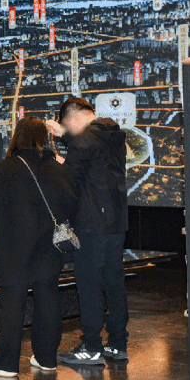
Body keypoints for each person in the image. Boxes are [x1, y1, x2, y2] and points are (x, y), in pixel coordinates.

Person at [0, 117, 78, 377]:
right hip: (49, 246)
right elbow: (72, 204)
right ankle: (46, 358)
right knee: (48, 297)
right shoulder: (57, 168)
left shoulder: (7, 168)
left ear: (17, 137)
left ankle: (6, 363)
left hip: (13, 247)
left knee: (13, 302)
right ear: (45, 138)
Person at [46, 98, 129, 365]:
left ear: (74, 119)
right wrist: (66, 137)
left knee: (89, 286)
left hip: (91, 225)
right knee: (114, 285)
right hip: (115, 223)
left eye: (67, 125)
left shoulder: (83, 142)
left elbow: (69, 180)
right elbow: (91, 156)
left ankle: (91, 346)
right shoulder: (112, 135)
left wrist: (58, 161)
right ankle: (117, 345)